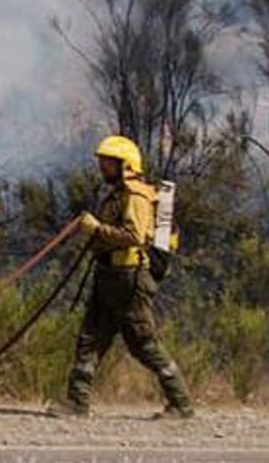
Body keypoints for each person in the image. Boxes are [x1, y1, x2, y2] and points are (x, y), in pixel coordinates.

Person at [52, 134, 194, 420]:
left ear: (126, 165)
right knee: (91, 338)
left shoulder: (136, 196)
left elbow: (134, 236)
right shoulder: (118, 195)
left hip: (129, 279)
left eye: (108, 162)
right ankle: (77, 402)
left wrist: (95, 229)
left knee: (143, 342)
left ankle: (181, 403)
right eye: (102, 162)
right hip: (109, 276)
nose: (102, 167)